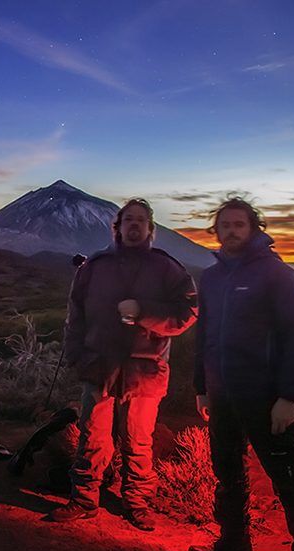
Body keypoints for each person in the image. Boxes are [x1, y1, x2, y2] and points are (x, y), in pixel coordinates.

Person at [189, 198, 294, 551]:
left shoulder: (275, 273)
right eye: (225, 225)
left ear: (253, 228)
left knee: (291, 481)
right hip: (221, 394)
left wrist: (288, 396)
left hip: (265, 397)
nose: (231, 230)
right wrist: (202, 386)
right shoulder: (212, 277)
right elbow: (204, 337)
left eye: (239, 224)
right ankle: (233, 546)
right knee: (228, 473)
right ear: (216, 231)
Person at [49, 198, 198, 531]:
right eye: (127, 219)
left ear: (150, 229)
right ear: (116, 227)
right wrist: (77, 355)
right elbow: (76, 317)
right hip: (98, 366)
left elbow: (187, 311)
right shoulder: (95, 267)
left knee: (138, 441)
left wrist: (144, 312)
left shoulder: (167, 269)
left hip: (144, 372)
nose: (134, 225)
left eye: (140, 220)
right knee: (92, 437)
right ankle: (84, 500)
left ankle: (137, 503)